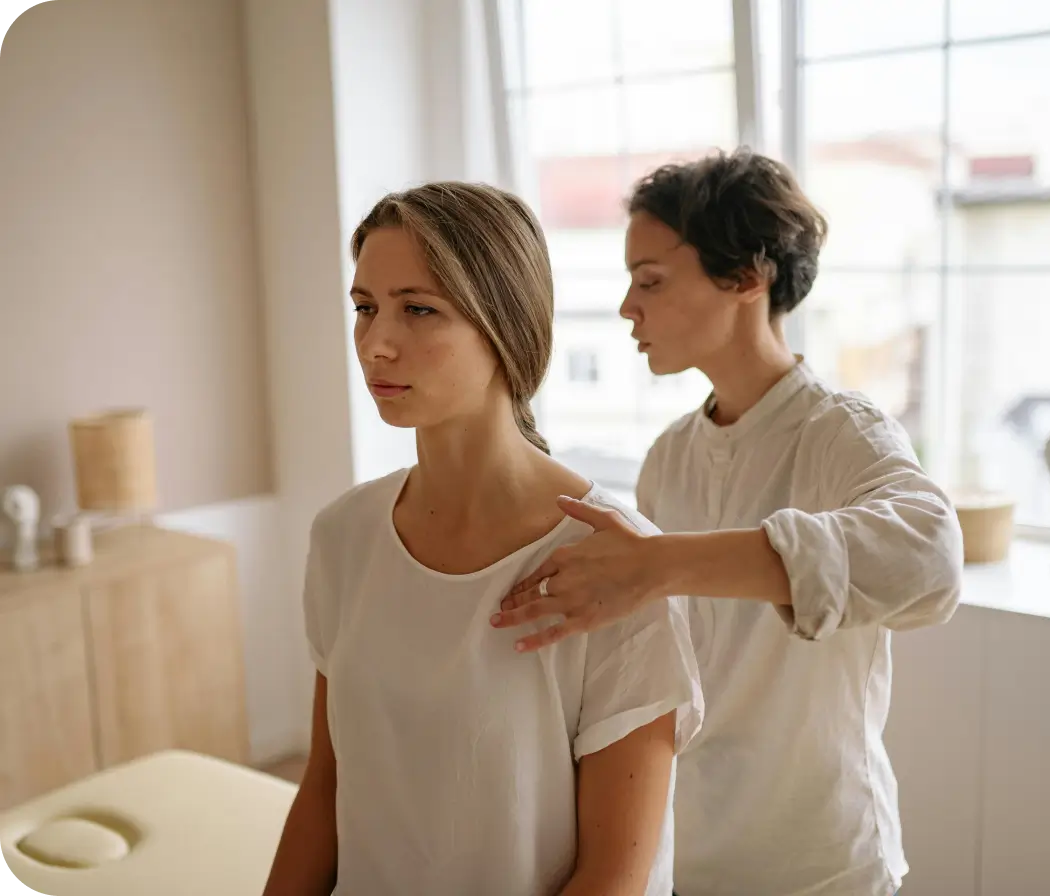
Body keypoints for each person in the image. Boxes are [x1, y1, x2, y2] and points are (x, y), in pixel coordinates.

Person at [492, 149, 964, 895]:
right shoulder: (668, 458)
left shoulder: (842, 434)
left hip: (820, 862)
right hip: (691, 848)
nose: (626, 308)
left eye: (649, 280)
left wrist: (662, 563)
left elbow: (929, 560)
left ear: (747, 277)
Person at [262, 182, 703, 896]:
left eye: (418, 310)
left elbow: (613, 878)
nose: (375, 343)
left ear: (504, 323)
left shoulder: (614, 564)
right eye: (365, 307)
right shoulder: (343, 536)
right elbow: (325, 790)